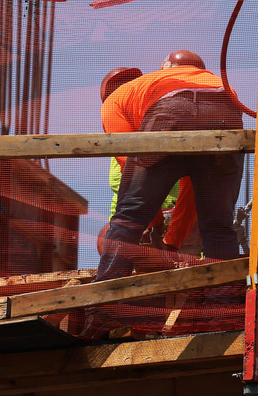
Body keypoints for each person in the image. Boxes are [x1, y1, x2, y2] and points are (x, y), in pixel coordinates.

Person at [95, 50, 243, 281]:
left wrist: (151, 224)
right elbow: (194, 183)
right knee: (218, 226)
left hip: (172, 109)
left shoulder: (115, 101)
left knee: (128, 219)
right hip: (226, 106)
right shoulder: (194, 79)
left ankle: (106, 296)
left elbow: (130, 162)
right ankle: (225, 301)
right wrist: (172, 241)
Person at [96, 64, 197, 265]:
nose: (127, 92)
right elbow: (135, 186)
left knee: (198, 234)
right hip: (145, 219)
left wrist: (168, 229)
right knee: (109, 238)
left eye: (131, 86)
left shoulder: (166, 128)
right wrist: (154, 222)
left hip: (177, 217)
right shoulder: (119, 140)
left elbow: (191, 183)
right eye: (118, 89)